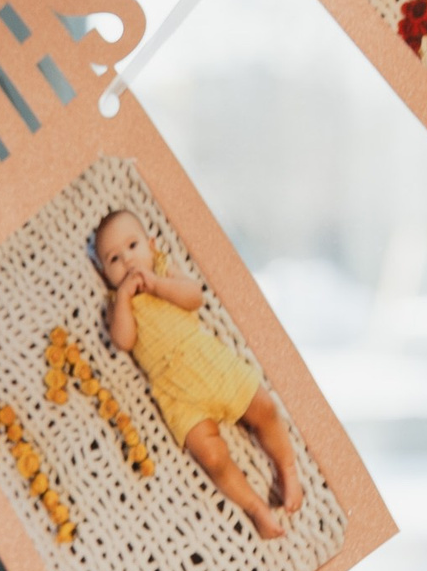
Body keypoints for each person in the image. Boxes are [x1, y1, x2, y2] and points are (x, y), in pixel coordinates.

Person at [93, 207, 301, 541]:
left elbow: (194, 297)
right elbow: (123, 341)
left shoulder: (163, 270)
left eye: (133, 246)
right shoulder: (118, 303)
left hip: (209, 362)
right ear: (105, 274)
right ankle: (255, 508)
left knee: (265, 408)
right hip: (176, 392)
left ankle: (287, 468)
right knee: (212, 457)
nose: (128, 261)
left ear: (152, 246)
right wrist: (124, 299)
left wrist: (157, 284)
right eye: (114, 259)